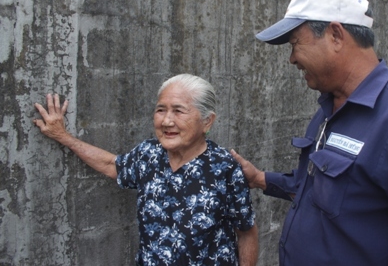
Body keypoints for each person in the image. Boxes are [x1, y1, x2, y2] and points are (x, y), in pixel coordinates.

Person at [230, 0, 388, 265]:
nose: (291, 59)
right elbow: (319, 187)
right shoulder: (331, 108)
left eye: (295, 43)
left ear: (336, 35)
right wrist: (261, 179)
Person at [33, 74, 258, 266]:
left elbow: (246, 231)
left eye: (179, 111)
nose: (167, 121)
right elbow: (113, 165)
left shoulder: (225, 168)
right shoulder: (149, 153)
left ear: (207, 122)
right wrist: (63, 137)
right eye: (161, 110)